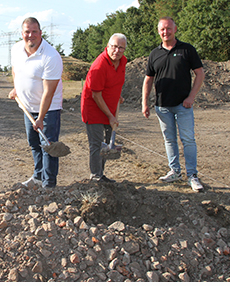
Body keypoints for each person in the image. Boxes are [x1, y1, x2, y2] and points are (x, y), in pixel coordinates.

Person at [142, 17, 205, 192]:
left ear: (175, 29)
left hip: (183, 105)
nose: (165, 32)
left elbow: (200, 74)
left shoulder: (187, 50)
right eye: (162, 29)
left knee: (188, 140)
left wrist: (191, 97)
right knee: (169, 140)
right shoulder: (154, 54)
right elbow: (148, 80)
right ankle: (175, 171)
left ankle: (192, 175)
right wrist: (144, 103)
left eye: (169, 29)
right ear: (158, 31)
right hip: (162, 106)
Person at [9, 17, 63, 189]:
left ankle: (49, 186)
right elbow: (15, 70)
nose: (30, 35)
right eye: (27, 32)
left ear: (40, 33)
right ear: (22, 33)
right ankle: (38, 178)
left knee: (48, 146)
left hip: (49, 110)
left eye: (34, 32)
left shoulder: (51, 56)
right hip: (27, 107)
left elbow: (49, 91)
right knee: (34, 144)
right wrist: (16, 88)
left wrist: (40, 118)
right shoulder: (16, 48)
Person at [81, 33, 128, 183]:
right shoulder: (99, 65)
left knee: (108, 144)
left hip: (110, 107)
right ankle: (95, 176)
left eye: (121, 48)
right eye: (114, 46)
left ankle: (100, 173)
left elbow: (116, 82)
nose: (117, 50)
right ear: (107, 47)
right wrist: (110, 115)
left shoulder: (122, 62)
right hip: (94, 108)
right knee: (97, 144)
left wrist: (117, 96)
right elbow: (96, 95)